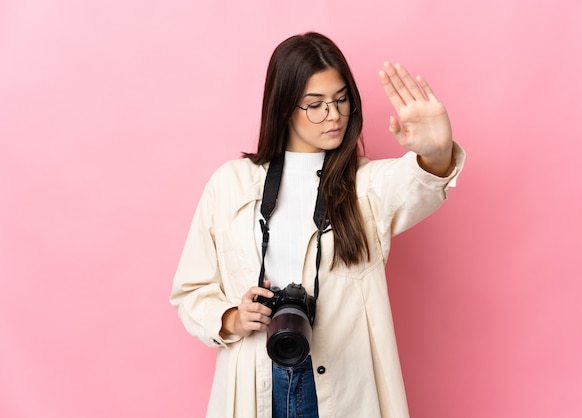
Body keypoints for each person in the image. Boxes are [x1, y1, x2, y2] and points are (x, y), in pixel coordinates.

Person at [170, 32, 465, 418]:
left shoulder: (365, 184)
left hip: (343, 383)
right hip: (258, 374)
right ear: (283, 108)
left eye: (341, 99)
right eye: (315, 104)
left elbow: (419, 184)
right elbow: (190, 290)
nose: (334, 115)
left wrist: (437, 151)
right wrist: (232, 317)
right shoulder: (230, 183)